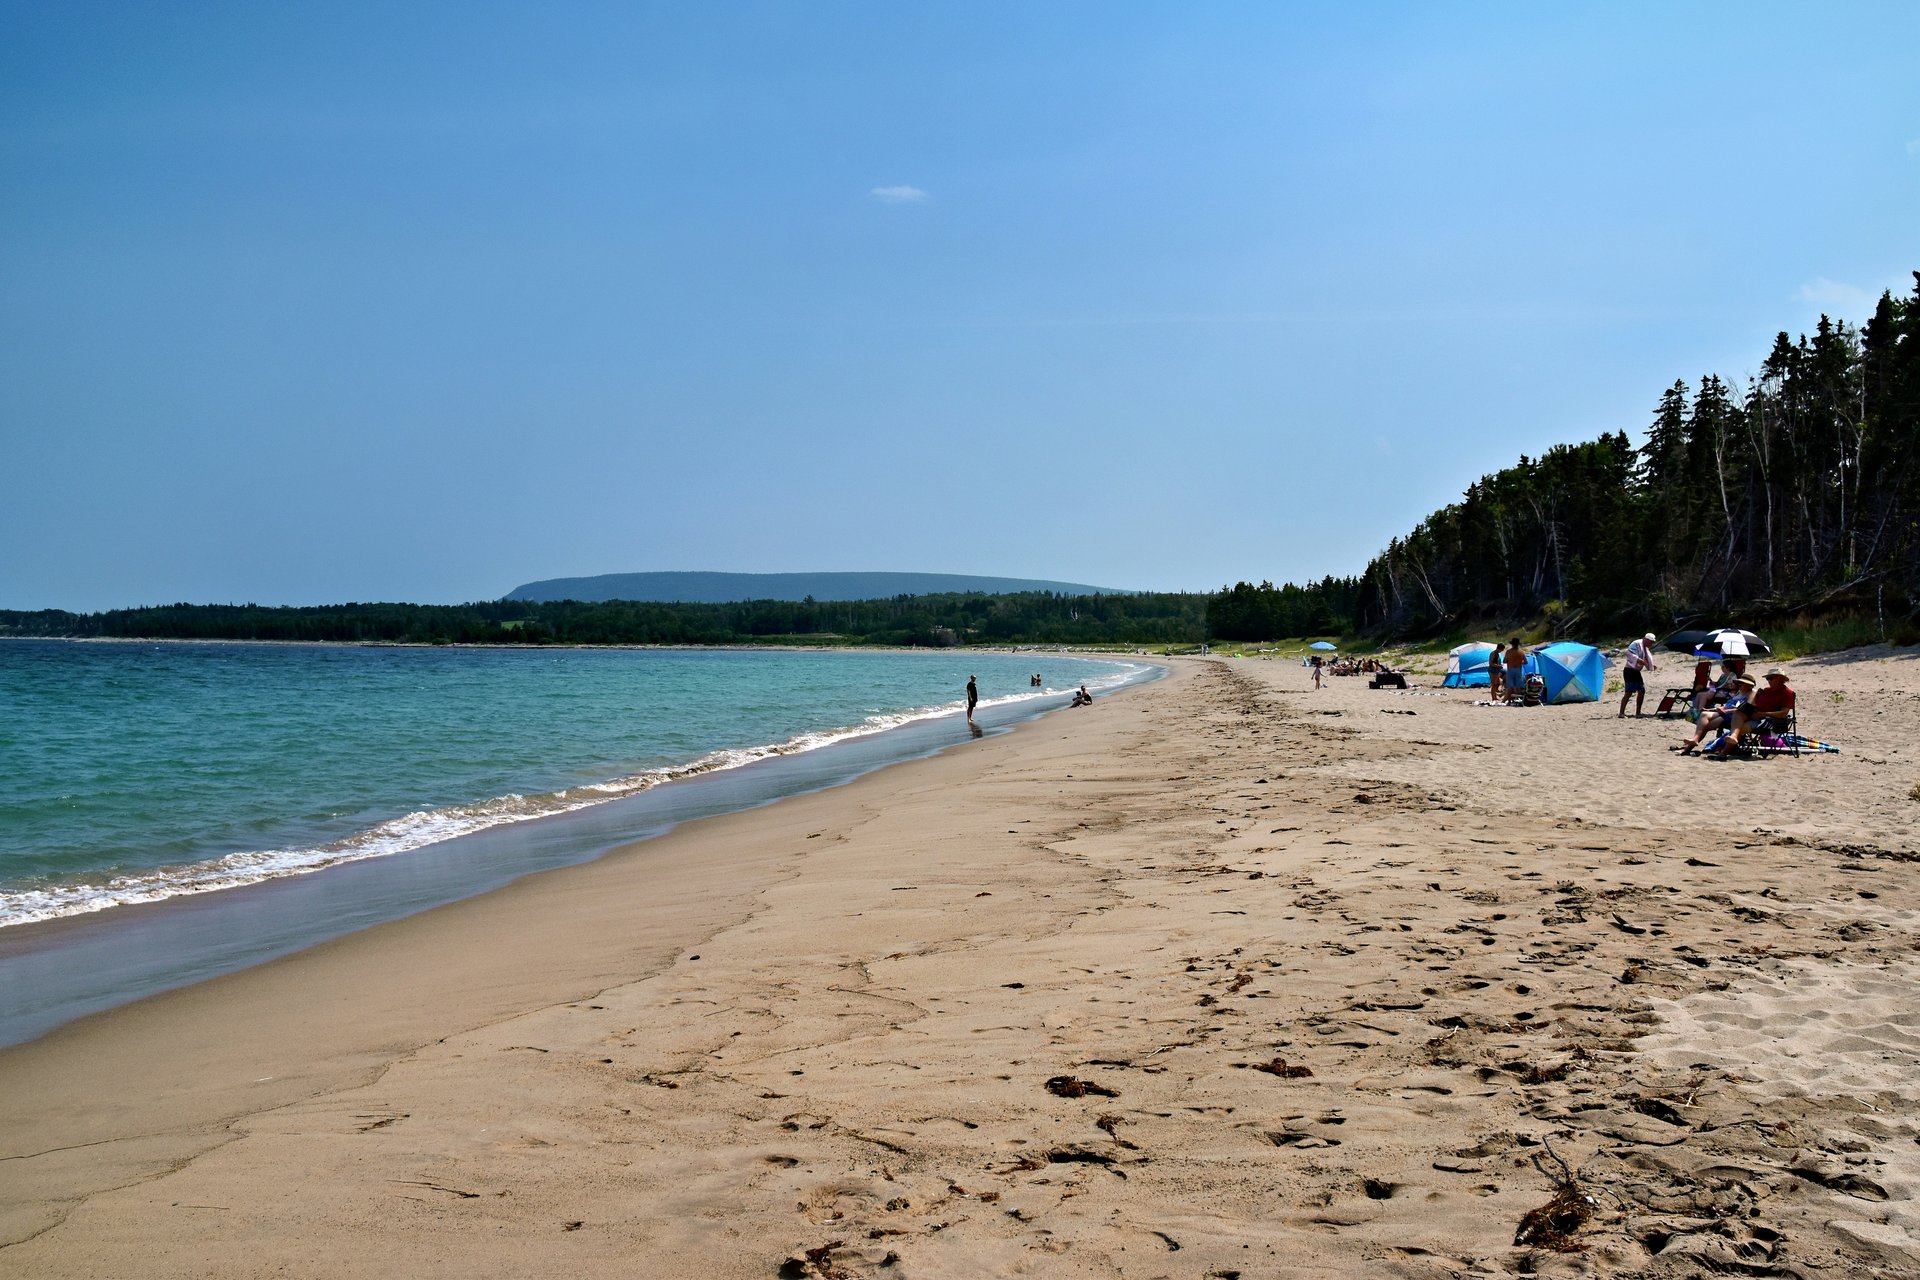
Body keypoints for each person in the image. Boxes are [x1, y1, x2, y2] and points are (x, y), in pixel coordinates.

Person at [1713, 670, 1796, 754]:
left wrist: (1762, 714)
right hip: (1757, 716)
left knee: (1739, 728)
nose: (1768, 681)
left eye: (1770, 678)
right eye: (1767, 678)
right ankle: (1733, 738)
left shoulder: (1787, 693)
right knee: (1739, 713)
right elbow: (1756, 705)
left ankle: (1724, 752)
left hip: (1771, 721)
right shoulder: (1766, 691)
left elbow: (1783, 713)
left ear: (1779, 679)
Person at [1679, 675, 1754, 753]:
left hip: (1736, 717)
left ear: (1750, 685)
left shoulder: (1752, 693)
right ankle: (1694, 740)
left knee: (1705, 723)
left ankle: (1688, 748)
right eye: (1739, 683)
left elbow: (1745, 708)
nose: (1740, 685)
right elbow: (1727, 705)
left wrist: (1727, 711)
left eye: (1742, 683)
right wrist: (1712, 709)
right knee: (1704, 715)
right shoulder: (1739, 692)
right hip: (1725, 714)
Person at [1618, 632, 1659, 718]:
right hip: (1629, 670)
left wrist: (1650, 665)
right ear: (1647, 640)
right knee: (1628, 692)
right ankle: (1621, 713)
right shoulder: (1636, 643)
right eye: (1651, 642)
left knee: (1641, 691)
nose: (1651, 644)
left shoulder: (1645, 648)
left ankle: (1638, 712)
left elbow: (1646, 659)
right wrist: (1640, 660)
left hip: (1636, 671)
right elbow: (1630, 654)